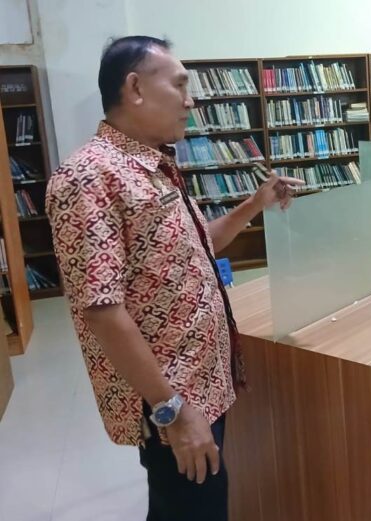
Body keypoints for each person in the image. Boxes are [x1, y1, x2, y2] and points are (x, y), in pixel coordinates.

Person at [46, 36, 303, 521]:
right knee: (192, 510)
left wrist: (256, 203)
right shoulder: (89, 177)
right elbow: (102, 311)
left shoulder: (155, 165)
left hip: (202, 384)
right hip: (171, 397)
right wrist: (174, 412)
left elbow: (196, 246)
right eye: (180, 85)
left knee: (190, 507)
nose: (191, 101)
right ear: (135, 89)